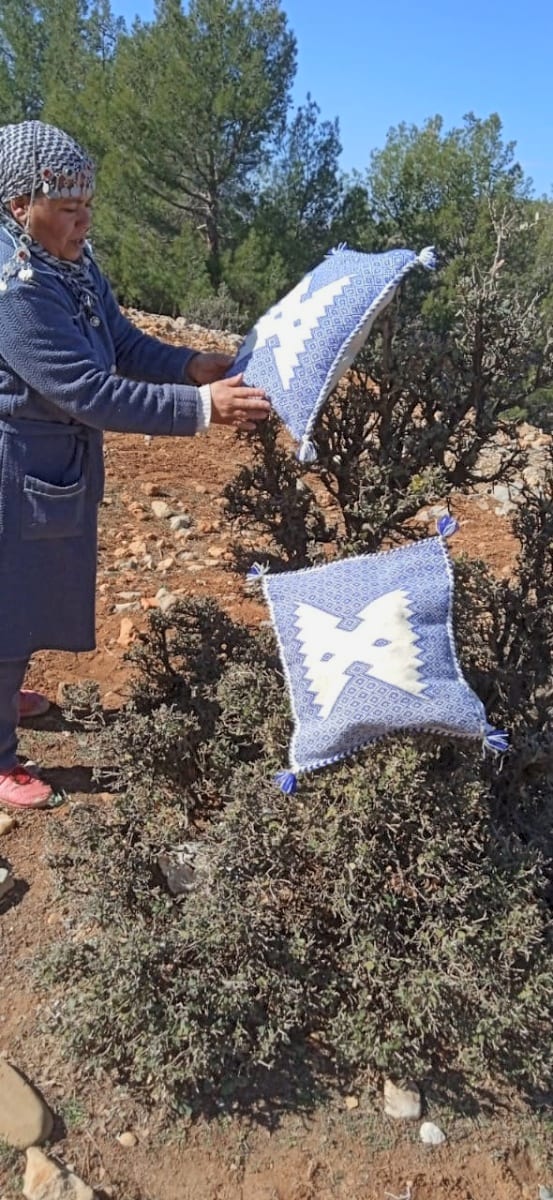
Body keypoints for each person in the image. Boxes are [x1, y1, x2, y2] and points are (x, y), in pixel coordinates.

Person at [0, 120, 270, 812]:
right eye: (66, 207)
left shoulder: (68, 262)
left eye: (86, 204)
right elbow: (88, 390)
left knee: (28, 598)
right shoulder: (15, 290)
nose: (83, 220)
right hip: (11, 467)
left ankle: (3, 696)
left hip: (50, 464)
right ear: (17, 207)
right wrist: (201, 407)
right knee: (5, 609)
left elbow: (116, 341)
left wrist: (186, 364)